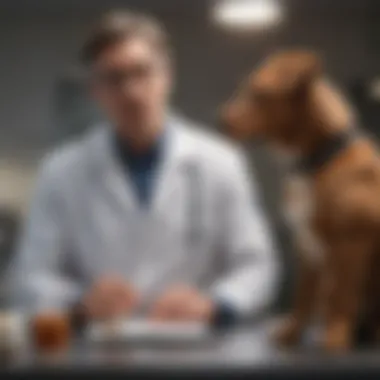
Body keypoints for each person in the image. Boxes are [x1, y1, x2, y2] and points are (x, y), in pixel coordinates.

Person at [9, 10, 278, 326]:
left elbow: (258, 265)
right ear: (95, 90)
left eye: (142, 72)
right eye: (114, 78)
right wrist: (80, 301)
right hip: (100, 354)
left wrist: (214, 304)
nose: (131, 91)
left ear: (167, 76)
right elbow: (27, 277)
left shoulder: (221, 162)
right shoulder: (62, 170)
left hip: (196, 351)